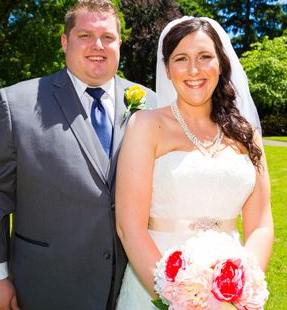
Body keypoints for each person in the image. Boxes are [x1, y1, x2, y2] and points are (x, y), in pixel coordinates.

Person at [0, 0, 156, 310]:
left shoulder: (150, 103)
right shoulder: (17, 106)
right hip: (48, 285)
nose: (98, 45)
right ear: (64, 41)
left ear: (120, 44)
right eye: (85, 35)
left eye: (107, 37)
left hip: (135, 284)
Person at [115, 17, 274, 309]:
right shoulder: (146, 125)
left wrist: (241, 287)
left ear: (221, 63)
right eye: (181, 59)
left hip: (230, 290)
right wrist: (178, 300)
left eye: (205, 57)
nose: (193, 70)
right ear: (167, 69)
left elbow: (261, 225)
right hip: (155, 283)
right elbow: (129, 227)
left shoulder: (247, 135)